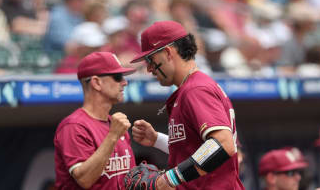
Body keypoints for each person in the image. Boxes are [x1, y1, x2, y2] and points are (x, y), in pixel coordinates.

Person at [127, 20, 244, 189]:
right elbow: (194, 148)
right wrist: (156, 139)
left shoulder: (196, 89)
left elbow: (223, 143)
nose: (149, 69)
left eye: (150, 60)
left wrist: (169, 179)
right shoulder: (191, 87)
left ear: (168, 52)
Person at [54, 51, 137, 189]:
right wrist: (113, 136)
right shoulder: (73, 126)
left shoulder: (116, 125)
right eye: (118, 77)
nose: (124, 82)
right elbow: (85, 179)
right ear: (96, 83)